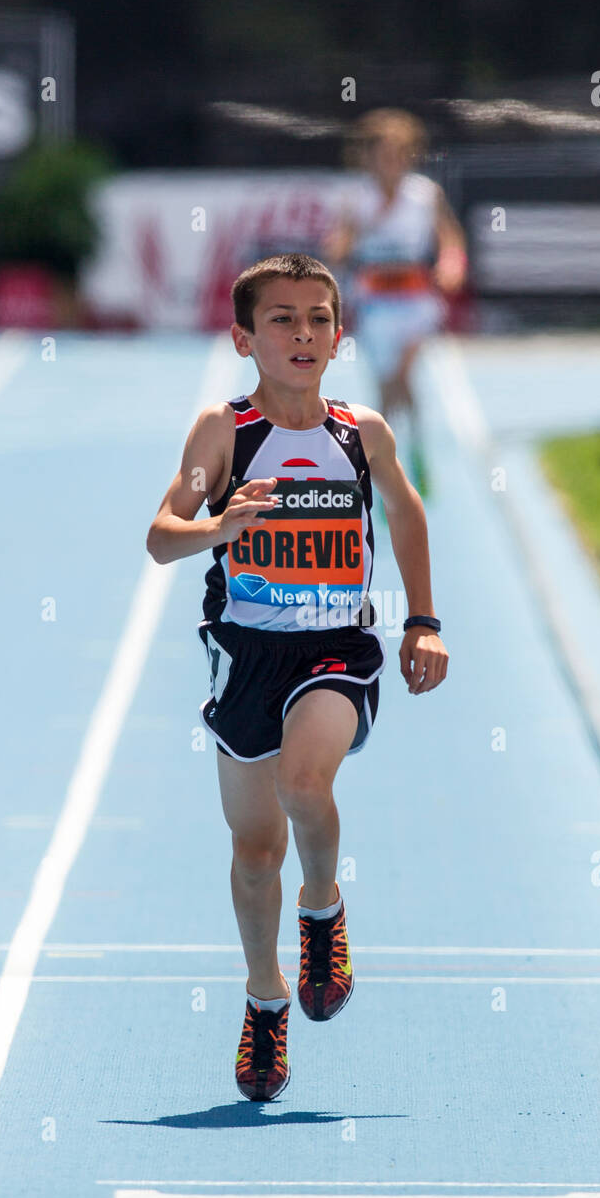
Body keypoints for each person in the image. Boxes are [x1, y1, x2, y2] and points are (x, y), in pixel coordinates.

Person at [146, 251, 448, 1102]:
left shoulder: (362, 433)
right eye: (282, 319)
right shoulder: (226, 433)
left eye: (318, 317)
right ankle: (265, 999)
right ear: (244, 337)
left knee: (305, 783)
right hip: (245, 652)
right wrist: (221, 524)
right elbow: (162, 533)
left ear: (340, 334)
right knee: (252, 852)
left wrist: (423, 621)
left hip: (334, 651)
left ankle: (322, 910)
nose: (303, 333)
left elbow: (406, 509)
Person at [324, 108, 467, 498]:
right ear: (368, 157)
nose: (392, 162)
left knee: (401, 375)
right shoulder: (357, 199)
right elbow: (337, 249)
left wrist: (452, 266)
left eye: (400, 153)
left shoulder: (425, 195)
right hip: (374, 304)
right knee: (390, 383)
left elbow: (451, 239)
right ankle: (408, 447)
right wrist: (351, 238)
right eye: (384, 154)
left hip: (418, 301)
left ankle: (378, 462)